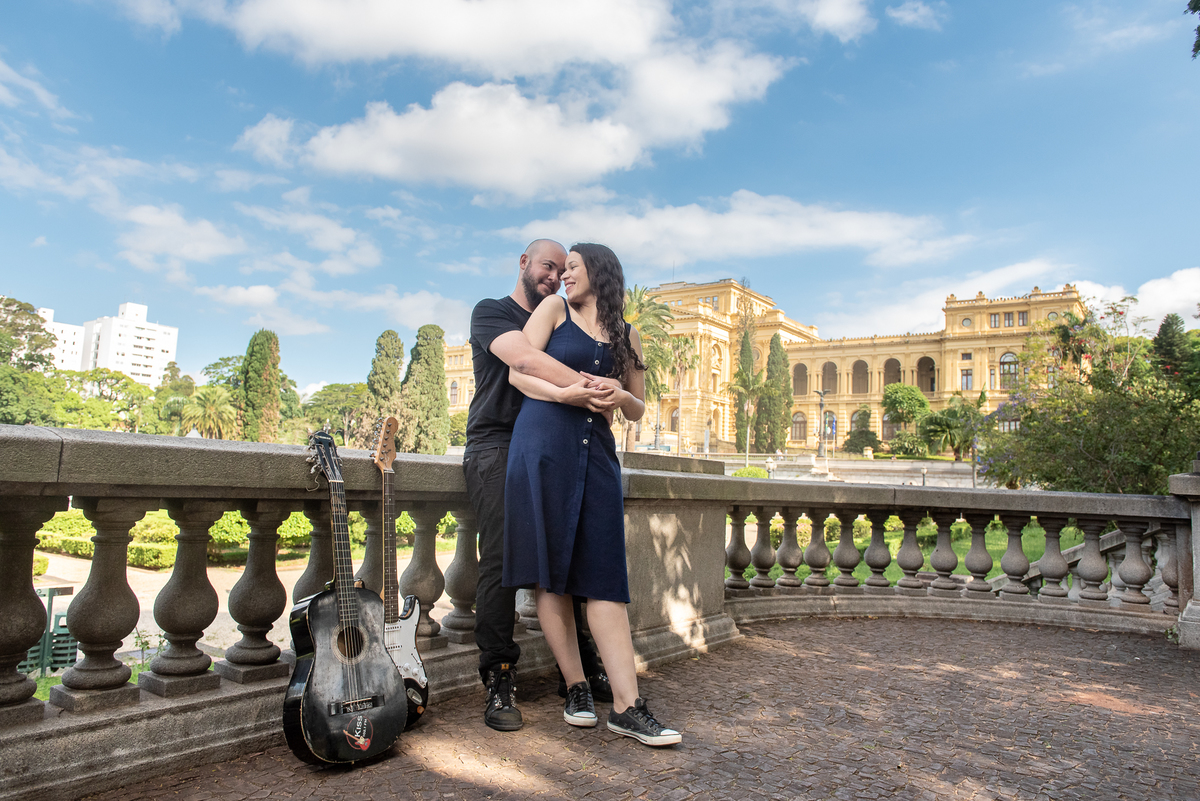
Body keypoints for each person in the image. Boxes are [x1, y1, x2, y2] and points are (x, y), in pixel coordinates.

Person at [503, 243, 682, 747]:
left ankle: (628, 706)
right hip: (542, 445)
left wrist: (620, 395)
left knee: (604, 575)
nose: (563, 276)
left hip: (597, 454)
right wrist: (565, 394)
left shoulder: (630, 335)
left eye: (574, 268)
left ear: (600, 273)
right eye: (561, 269)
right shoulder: (554, 310)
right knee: (550, 574)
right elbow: (518, 370)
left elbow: (638, 409)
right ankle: (578, 687)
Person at [463, 239, 616, 732]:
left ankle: (576, 670)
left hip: (554, 442)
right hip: (496, 445)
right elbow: (522, 362)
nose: (554, 277)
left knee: (567, 554)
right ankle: (499, 676)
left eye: (562, 270)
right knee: (503, 560)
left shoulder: (566, 316)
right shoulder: (492, 312)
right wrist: (590, 384)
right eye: (547, 267)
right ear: (524, 263)